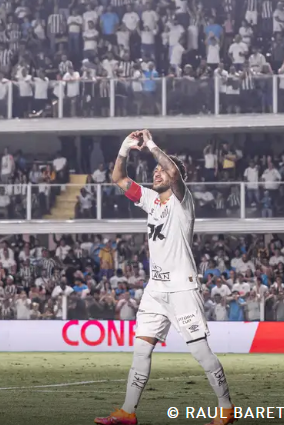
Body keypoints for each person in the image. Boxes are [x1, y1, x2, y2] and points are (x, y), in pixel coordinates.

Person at [96, 130, 234, 425]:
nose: (156, 173)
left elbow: (172, 170)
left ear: (175, 178)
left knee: (200, 351)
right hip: (155, 289)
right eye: (155, 169)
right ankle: (127, 412)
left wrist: (153, 146)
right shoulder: (150, 200)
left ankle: (225, 408)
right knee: (141, 349)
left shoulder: (183, 203)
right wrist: (125, 149)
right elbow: (118, 179)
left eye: (161, 171)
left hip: (182, 289)